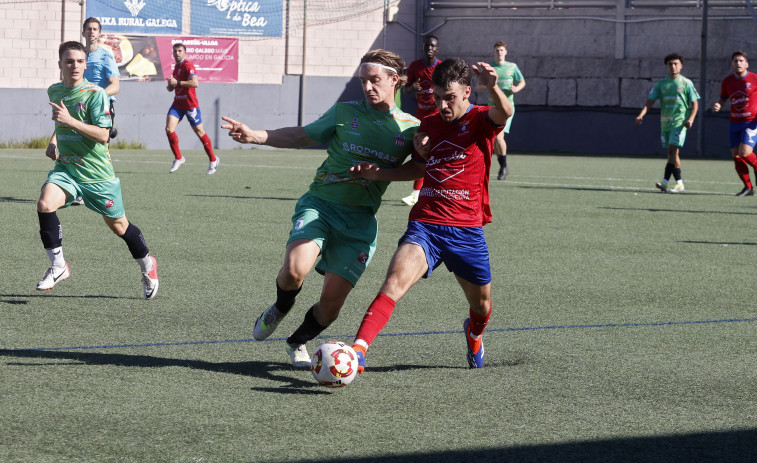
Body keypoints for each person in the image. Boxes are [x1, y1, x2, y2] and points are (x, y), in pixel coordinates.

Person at [220, 49, 420, 368]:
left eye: (375, 80)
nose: (367, 87)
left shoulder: (410, 129)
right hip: (321, 205)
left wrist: (380, 173)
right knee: (294, 269)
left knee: (331, 306)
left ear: (394, 81)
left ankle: (297, 342)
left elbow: (420, 168)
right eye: (363, 81)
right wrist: (255, 135)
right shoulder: (345, 111)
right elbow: (302, 135)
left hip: (359, 222)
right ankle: (280, 307)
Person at [349, 57, 513, 371]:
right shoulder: (430, 124)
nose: (442, 104)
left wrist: (493, 88)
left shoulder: (480, 119)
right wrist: (380, 173)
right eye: (437, 97)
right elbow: (417, 168)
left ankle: (474, 333)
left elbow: (504, 112)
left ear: (467, 92)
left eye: (449, 97)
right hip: (426, 224)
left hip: (467, 230)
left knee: (481, 307)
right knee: (393, 283)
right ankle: (358, 351)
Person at [37, 41, 159, 299]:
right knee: (45, 203)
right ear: (60, 64)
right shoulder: (55, 90)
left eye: (80, 61)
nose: (75, 66)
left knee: (119, 226)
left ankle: (148, 264)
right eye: (69, 61)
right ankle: (59, 266)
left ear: (86, 64)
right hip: (67, 168)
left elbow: (104, 135)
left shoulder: (95, 94)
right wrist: (54, 140)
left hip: (97, 175)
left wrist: (70, 121)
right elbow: (61, 122)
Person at [635, 53, 700, 193]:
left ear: (681, 66)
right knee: (673, 154)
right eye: (670, 64)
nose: (673, 66)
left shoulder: (686, 83)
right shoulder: (661, 84)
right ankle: (679, 183)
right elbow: (649, 102)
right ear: (666, 66)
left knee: (672, 150)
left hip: (680, 123)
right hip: (665, 124)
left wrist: (690, 119)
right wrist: (641, 115)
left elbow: (695, 104)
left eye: (676, 64)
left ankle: (664, 182)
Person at [165, 42, 220, 175]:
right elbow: (171, 88)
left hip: (190, 105)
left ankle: (213, 159)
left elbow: (195, 83)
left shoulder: (188, 65)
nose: (177, 53)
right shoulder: (176, 68)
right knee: (169, 129)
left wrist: (177, 82)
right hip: (178, 104)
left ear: (184, 53)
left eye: (179, 51)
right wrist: (170, 86)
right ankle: (179, 158)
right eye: (175, 51)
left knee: (200, 132)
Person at [401, 35, 440, 206]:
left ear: (437, 49)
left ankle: (436, 191)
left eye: (433, 46)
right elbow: (406, 90)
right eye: (427, 46)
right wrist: (411, 88)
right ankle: (416, 194)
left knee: (436, 152)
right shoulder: (415, 66)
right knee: (421, 151)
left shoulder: (441, 67)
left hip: (438, 116)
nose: (429, 48)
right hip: (421, 116)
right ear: (423, 48)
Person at [713, 50, 757, 196]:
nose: (738, 63)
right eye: (735, 61)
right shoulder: (727, 81)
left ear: (746, 64)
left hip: (751, 122)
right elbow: (723, 98)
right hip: (734, 123)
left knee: (744, 152)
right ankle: (748, 188)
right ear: (732, 64)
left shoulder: (754, 78)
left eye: (741, 61)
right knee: (736, 156)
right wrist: (719, 105)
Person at [482, 41, 525, 180]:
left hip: (507, 107)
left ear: (506, 52)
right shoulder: (490, 67)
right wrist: (487, 85)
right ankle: (503, 166)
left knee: (498, 137)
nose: (499, 52)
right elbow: (479, 86)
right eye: (497, 50)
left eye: (501, 50)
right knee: (494, 140)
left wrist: (516, 89)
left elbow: (522, 81)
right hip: (492, 106)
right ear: (493, 52)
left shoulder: (512, 67)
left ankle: (503, 167)